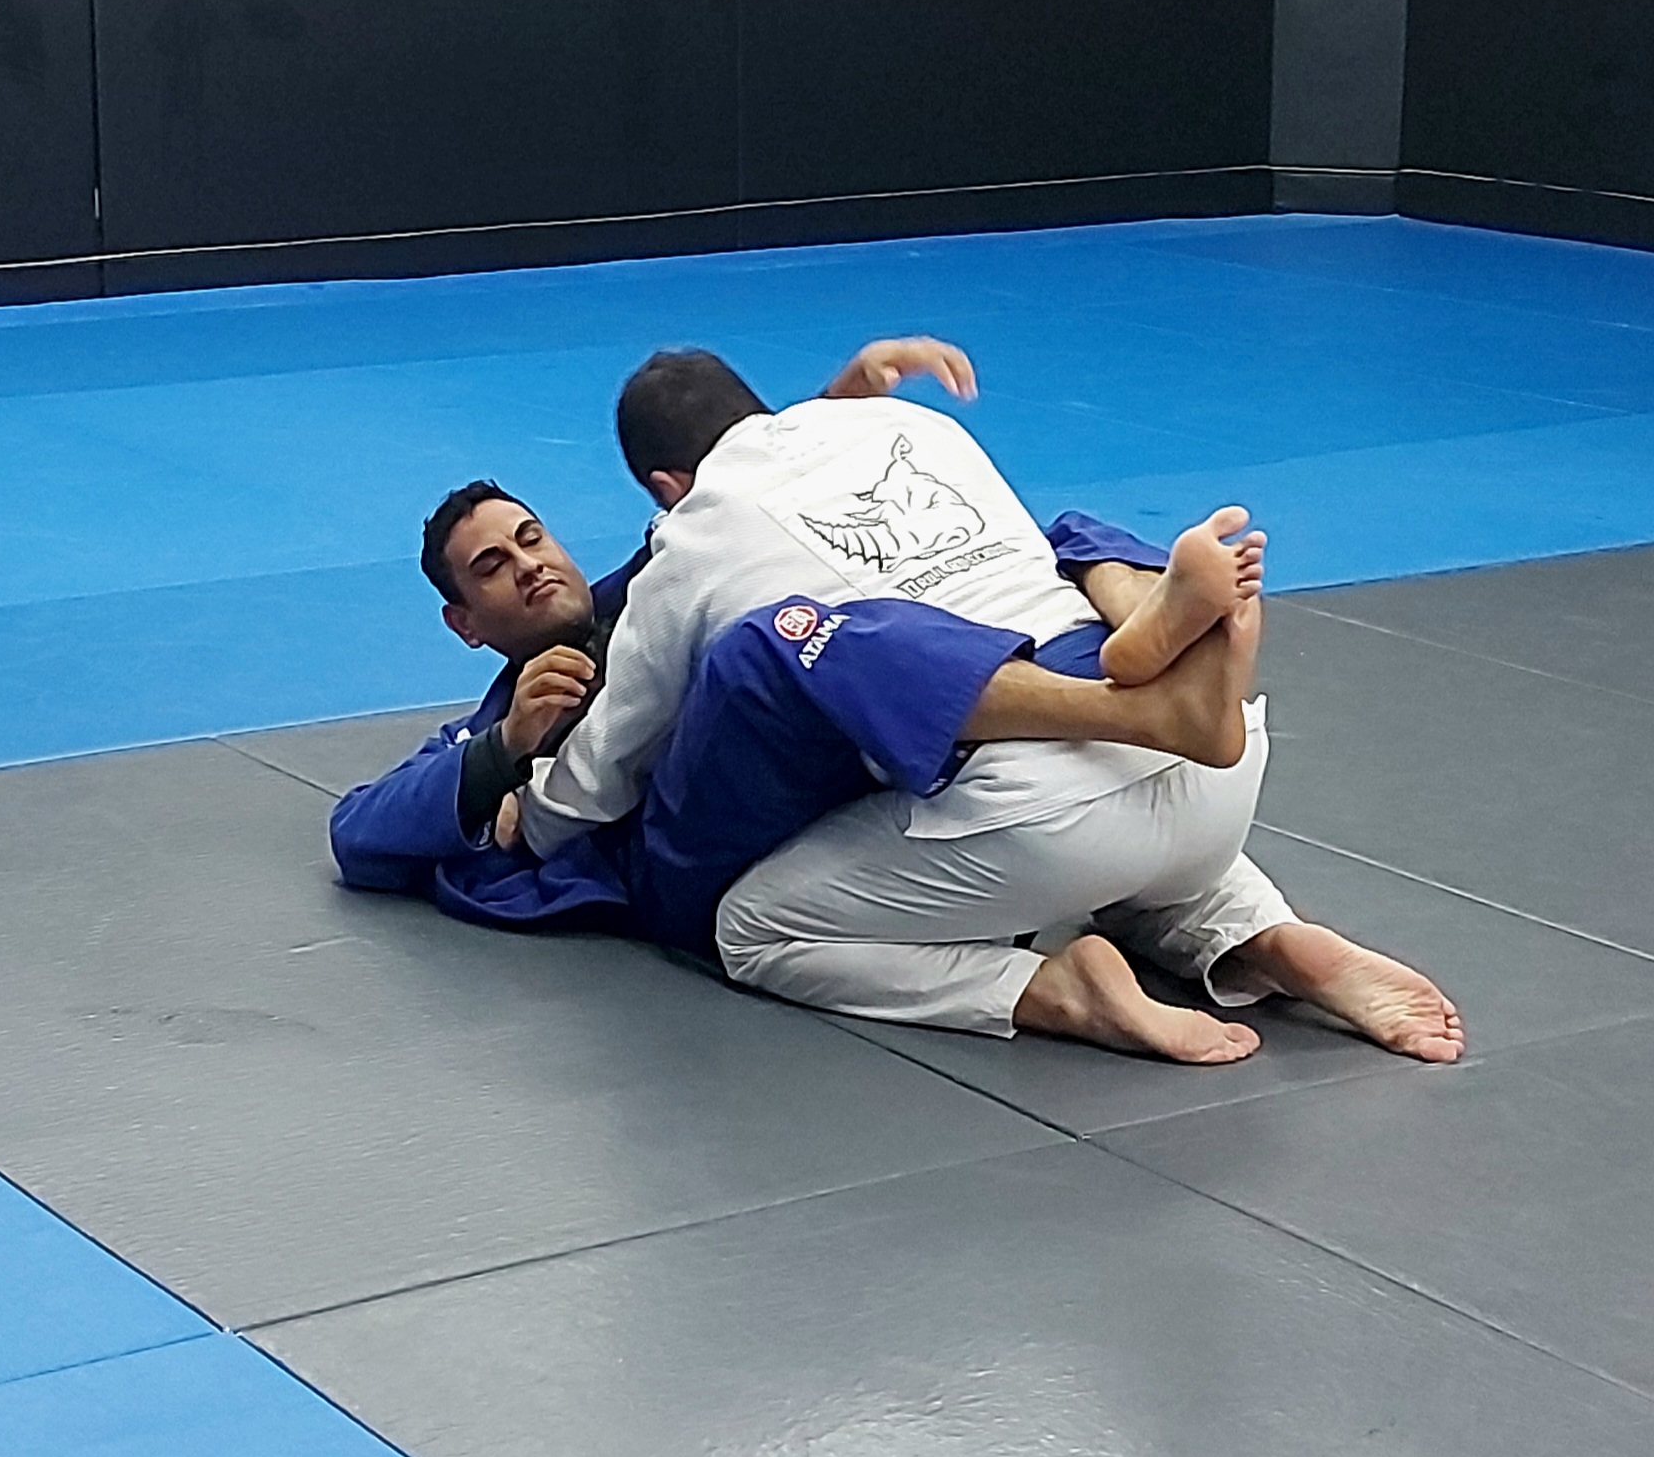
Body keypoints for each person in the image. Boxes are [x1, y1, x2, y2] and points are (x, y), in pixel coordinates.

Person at [515, 348, 1463, 1066]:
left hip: (1032, 823)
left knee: (755, 927)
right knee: (1071, 680)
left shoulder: (691, 539)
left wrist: (535, 813)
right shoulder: (911, 427)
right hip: (1216, 780)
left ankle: (1051, 990)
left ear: (664, 487)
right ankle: (1270, 937)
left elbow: (609, 766)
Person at [332, 338, 1261, 948]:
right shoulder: (506, 715)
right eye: (493, 568)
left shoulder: (664, 567)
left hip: (847, 758)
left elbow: (772, 506)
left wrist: (839, 414)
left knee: (1056, 539)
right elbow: (358, 830)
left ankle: (1256, 919)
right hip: (700, 834)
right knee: (786, 638)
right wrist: (505, 754)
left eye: (532, 537)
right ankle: (1133, 704)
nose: (529, 565)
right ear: (466, 624)